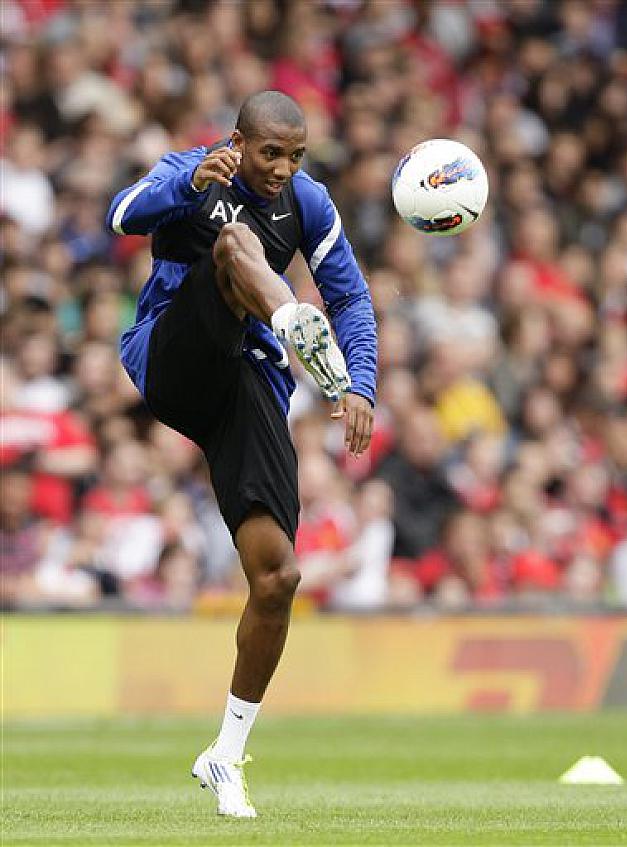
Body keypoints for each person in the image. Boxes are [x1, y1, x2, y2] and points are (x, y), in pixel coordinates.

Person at [106, 90, 377, 818]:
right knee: (232, 246)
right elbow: (121, 215)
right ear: (238, 142)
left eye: (296, 156)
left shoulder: (309, 203)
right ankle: (291, 320)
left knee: (278, 575)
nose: (284, 168)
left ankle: (225, 753)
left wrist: (363, 384)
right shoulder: (193, 169)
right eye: (270, 153)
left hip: (247, 379)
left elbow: (352, 298)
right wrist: (188, 184)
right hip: (175, 354)